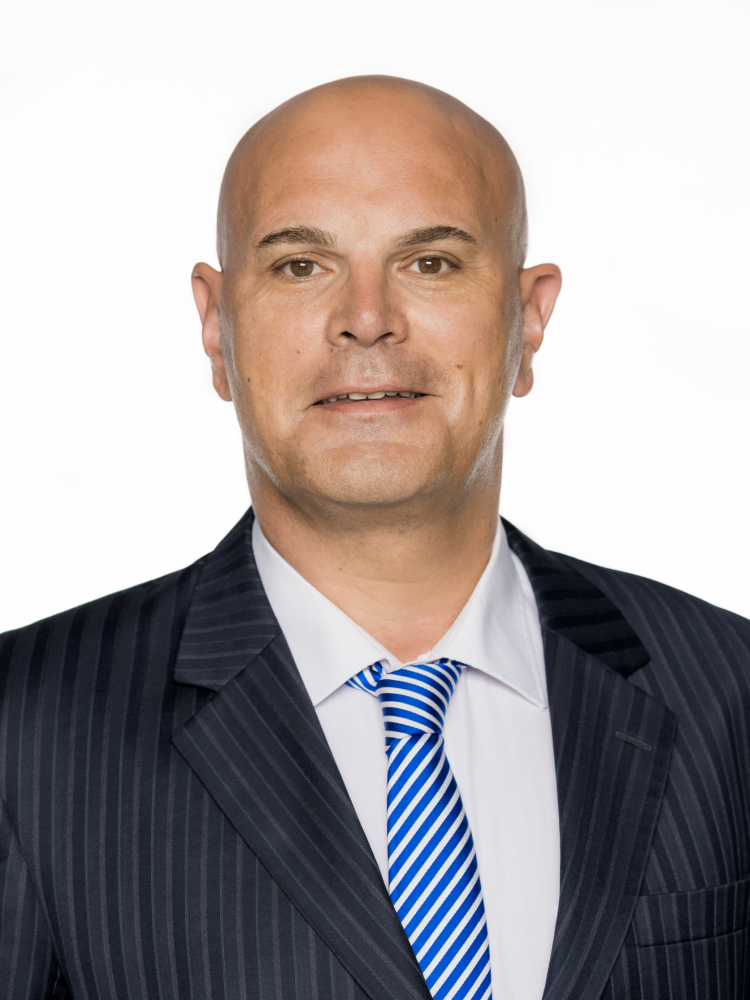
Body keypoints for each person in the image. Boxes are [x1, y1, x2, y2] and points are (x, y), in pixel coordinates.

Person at [1, 76, 748, 1000]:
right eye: (299, 266)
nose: (366, 318)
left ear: (528, 320)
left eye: (430, 262)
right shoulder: (24, 730)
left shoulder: (729, 691)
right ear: (216, 327)